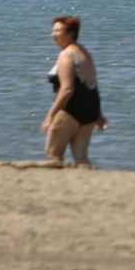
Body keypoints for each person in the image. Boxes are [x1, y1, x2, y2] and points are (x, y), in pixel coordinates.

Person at [40, 14, 106, 166]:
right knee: (81, 158)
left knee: (53, 153)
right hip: (90, 111)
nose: (53, 34)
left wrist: (50, 116)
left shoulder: (66, 55)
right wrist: (99, 114)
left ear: (71, 33)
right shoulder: (84, 52)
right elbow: (92, 85)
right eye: (53, 30)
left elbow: (67, 89)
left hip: (71, 110)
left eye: (58, 31)